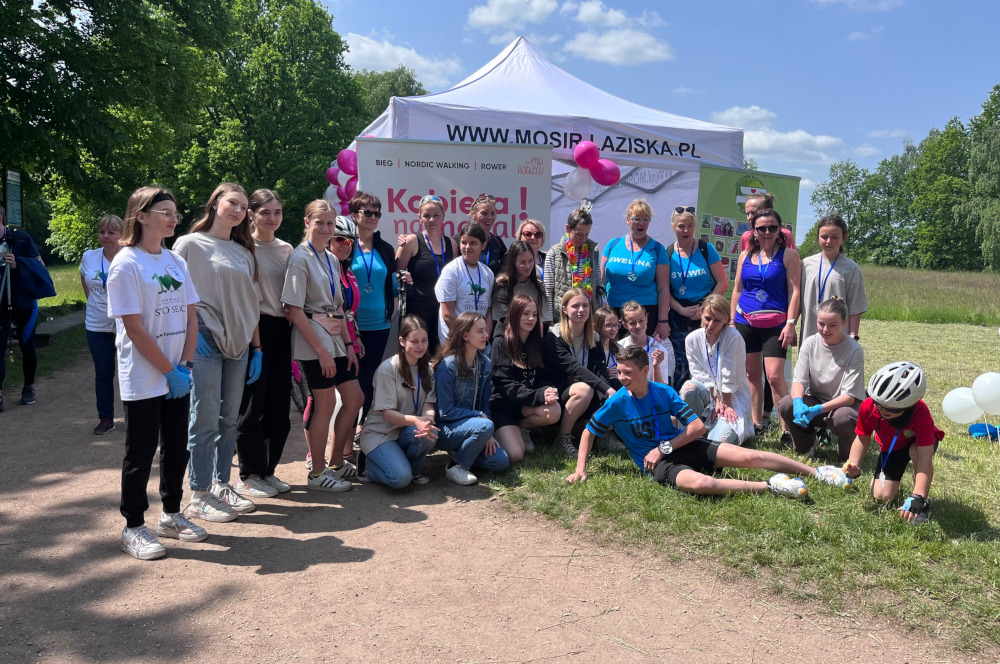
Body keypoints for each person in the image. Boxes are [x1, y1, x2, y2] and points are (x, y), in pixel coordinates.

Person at [565, 346, 852, 497]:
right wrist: (580, 469)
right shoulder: (617, 402)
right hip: (657, 464)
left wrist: (663, 447)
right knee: (702, 484)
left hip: (677, 446)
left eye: (627, 373)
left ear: (644, 371)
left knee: (752, 456)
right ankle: (771, 485)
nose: (621, 378)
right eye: (619, 372)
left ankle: (818, 472)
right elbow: (589, 432)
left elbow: (698, 428)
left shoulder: (663, 392)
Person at [107, 186, 205, 560]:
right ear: (142, 216)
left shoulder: (175, 261)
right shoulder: (126, 264)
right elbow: (134, 328)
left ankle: (172, 515)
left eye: (175, 213)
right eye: (165, 212)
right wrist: (167, 370)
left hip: (178, 372)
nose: (172, 218)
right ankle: (133, 526)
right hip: (145, 375)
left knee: (177, 447)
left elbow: (191, 317)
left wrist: (185, 366)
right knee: (141, 452)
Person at [174, 183, 262, 522]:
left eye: (243, 206)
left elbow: (251, 303)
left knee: (229, 419)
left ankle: (222, 484)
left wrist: (257, 347)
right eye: (232, 203)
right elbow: (175, 295)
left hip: (240, 343)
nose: (238, 210)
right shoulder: (189, 244)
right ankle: (199, 494)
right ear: (214, 204)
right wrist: (189, 335)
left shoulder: (244, 251)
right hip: (205, 338)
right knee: (205, 418)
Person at [281, 199, 358, 492]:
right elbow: (294, 308)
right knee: (325, 403)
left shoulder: (331, 258)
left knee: (354, 398)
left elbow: (339, 306)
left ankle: (336, 464)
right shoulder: (300, 257)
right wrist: (322, 352)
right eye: (320, 222)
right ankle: (317, 473)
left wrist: (348, 344)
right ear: (307, 223)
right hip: (314, 336)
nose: (326, 228)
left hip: (336, 334)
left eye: (330, 223)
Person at [235, 189, 293, 498]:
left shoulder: (287, 249)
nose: (272, 218)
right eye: (265, 212)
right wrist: (256, 347)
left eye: (277, 212)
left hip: (282, 330)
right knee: (251, 407)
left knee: (278, 407)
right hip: (254, 330)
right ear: (251, 215)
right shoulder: (244, 248)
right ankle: (249, 473)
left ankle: (268, 470)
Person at [731, 208, 802, 441]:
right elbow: (737, 289)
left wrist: (791, 323)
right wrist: (731, 321)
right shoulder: (745, 256)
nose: (767, 232)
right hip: (745, 320)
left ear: (780, 230)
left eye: (772, 227)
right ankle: (756, 423)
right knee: (751, 374)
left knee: (774, 376)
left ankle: (787, 429)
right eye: (762, 228)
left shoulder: (789, 255)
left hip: (776, 324)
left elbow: (794, 292)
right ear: (754, 231)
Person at [842, 362, 943, 523]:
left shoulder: (920, 412)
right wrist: (853, 464)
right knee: (881, 497)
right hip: (893, 447)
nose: (884, 411)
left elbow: (925, 457)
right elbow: (862, 437)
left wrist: (918, 496)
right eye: (879, 406)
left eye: (893, 409)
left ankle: (922, 502)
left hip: (918, 445)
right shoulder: (868, 406)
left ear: (909, 404)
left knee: (915, 452)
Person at [777, 296, 864, 461]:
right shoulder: (810, 343)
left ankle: (846, 452)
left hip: (844, 408)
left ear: (845, 322)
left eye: (832, 325)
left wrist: (818, 409)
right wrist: (798, 402)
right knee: (787, 404)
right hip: (817, 401)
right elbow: (799, 381)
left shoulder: (854, 350)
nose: (825, 329)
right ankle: (806, 445)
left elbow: (849, 397)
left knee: (844, 418)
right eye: (821, 324)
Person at [357, 315, 438, 489]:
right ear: (401, 341)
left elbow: (429, 404)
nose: (420, 346)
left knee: (430, 433)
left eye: (424, 340)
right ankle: (367, 465)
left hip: (405, 430)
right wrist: (417, 421)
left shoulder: (428, 368)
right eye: (414, 341)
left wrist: (428, 419)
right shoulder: (388, 369)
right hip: (380, 433)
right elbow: (387, 414)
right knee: (399, 480)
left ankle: (412, 470)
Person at [432, 312, 510, 485]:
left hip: (477, 426)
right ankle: (457, 466)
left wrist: (487, 432)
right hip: (445, 429)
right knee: (485, 425)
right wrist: (480, 420)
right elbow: (445, 412)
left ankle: (464, 450)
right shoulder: (448, 366)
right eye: (480, 331)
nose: (486, 335)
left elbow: (485, 404)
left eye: (485, 330)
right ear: (465, 336)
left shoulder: (485, 363)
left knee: (500, 462)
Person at [544, 288, 616, 457]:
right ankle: (562, 438)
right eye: (575, 306)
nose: (581, 310)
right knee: (585, 389)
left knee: (619, 390)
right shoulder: (553, 336)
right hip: (558, 394)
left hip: (586, 394)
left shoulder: (594, 337)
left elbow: (599, 371)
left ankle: (602, 433)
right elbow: (574, 368)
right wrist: (606, 389)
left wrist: (608, 395)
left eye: (585, 305)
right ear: (564, 309)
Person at [490, 293, 560, 462]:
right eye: (526, 314)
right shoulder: (500, 342)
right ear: (514, 314)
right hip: (503, 406)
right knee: (516, 455)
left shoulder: (536, 341)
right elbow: (505, 385)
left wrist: (547, 389)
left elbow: (543, 374)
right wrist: (538, 395)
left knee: (554, 410)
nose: (531, 319)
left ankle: (522, 428)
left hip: (525, 404)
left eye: (534, 314)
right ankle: (499, 431)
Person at [349, 191, 397, 426]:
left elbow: (391, 285)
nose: (372, 217)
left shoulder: (385, 248)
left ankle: (360, 426)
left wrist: (402, 281)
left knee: (369, 378)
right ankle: (346, 426)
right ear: (353, 215)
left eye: (377, 214)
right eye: (367, 212)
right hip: (351, 325)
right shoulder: (345, 246)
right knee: (351, 379)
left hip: (380, 325)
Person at [666, 206, 728, 387]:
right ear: (673, 227)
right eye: (681, 226)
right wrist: (681, 310)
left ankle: (711, 399)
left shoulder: (705, 249)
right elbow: (663, 290)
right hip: (679, 315)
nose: (686, 230)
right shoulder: (667, 253)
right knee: (682, 363)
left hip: (707, 313)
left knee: (708, 360)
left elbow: (722, 282)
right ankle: (681, 400)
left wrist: (704, 308)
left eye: (690, 226)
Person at [680, 295, 754, 446]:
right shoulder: (692, 339)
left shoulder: (733, 337)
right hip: (709, 395)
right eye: (707, 318)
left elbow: (729, 373)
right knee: (689, 387)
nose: (711, 324)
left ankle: (710, 432)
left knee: (717, 444)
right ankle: (693, 429)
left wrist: (726, 404)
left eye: (717, 320)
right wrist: (717, 399)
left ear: (726, 319)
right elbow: (697, 373)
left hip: (732, 399)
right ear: (701, 314)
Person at [0, 203, 54, 409]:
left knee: (27, 345)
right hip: (0, 304)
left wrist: (17, 263)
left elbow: (40, 266)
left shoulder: (20, 239)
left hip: (23, 302)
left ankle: (28, 386)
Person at [323, 215, 366, 473]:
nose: (345, 245)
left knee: (353, 399)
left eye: (350, 241)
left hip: (347, 342)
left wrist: (356, 337)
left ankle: (338, 458)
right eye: (339, 239)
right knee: (321, 401)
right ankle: (317, 456)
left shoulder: (347, 272)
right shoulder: (324, 270)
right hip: (327, 341)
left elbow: (349, 311)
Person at [600, 199, 671, 339]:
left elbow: (663, 289)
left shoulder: (657, 249)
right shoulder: (613, 244)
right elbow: (601, 280)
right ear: (628, 220)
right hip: (614, 311)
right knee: (613, 351)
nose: (641, 223)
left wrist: (663, 321)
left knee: (639, 352)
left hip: (644, 314)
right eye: (637, 219)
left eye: (645, 219)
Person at [396, 194, 457, 355]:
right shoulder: (411, 241)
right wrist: (402, 276)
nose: (431, 220)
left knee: (442, 356)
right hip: (418, 312)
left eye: (436, 215)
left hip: (444, 312)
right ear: (420, 217)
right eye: (427, 216)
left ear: (443, 216)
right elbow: (396, 273)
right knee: (417, 357)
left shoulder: (452, 244)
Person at [80, 213, 124, 434]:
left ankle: (137, 415)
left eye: (111, 232)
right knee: (103, 372)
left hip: (127, 325)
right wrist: (96, 304)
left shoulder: (131, 256)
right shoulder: (89, 256)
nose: (105, 236)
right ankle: (106, 418)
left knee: (130, 371)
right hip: (96, 325)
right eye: (102, 232)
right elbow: (85, 280)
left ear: (122, 234)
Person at [799, 213, 868, 342]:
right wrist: (790, 325)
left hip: (838, 338)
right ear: (818, 237)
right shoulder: (806, 264)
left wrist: (853, 336)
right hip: (809, 334)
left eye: (834, 237)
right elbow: (797, 299)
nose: (828, 241)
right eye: (824, 237)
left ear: (843, 238)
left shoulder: (851, 268)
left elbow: (855, 306)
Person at [543, 202, 604, 324]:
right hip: (563, 317)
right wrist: (549, 318)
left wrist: (601, 306)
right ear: (567, 228)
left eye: (587, 234)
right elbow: (548, 289)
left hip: (588, 315)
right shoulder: (554, 253)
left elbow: (598, 283)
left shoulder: (593, 251)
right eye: (578, 234)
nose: (583, 239)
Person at [434, 224, 493, 343]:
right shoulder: (452, 271)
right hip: (456, 341)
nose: (467, 247)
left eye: (473, 243)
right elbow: (447, 315)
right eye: (464, 242)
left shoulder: (488, 273)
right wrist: (468, 339)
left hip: (478, 342)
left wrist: (484, 337)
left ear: (483, 245)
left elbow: (488, 312)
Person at [490, 240, 548, 336]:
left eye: (530, 261)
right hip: (506, 337)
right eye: (522, 262)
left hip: (532, 339)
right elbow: (500, 321)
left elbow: (541, 321)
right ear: (513, 263)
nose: (527, 266)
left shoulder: (539, 287)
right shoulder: (502, 286)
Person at [618, 301, 672, 385]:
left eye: (641, 321)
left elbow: (662, 386)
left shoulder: (659, 350)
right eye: (632, 323)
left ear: (646, 319)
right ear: (625, 325)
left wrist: (656, 366)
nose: (638, 326)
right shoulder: (619, 347)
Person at [456, 193, 507, 276]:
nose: (489, 217)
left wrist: (501, 275)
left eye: (493, 213)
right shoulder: (459, 239)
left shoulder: (496, 241)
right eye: (484, 213)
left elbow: (507, 261)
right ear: (473, 215)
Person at [594, 306, 623, 392]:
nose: (614, 329)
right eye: (609, 325)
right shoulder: (591, 348)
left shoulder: (618, 348)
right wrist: (604, 373)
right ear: (598, 326)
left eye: (616, 325)